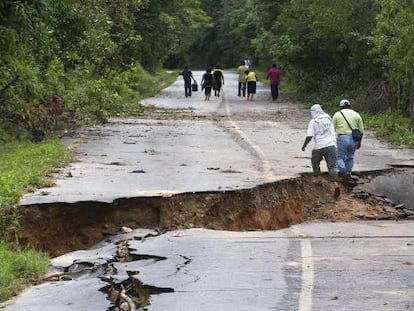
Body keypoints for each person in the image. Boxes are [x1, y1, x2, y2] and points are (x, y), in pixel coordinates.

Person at [302, 104, 340, 197]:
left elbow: (309, 136)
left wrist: (304, 145)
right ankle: (336, 184)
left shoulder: (313, 121)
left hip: (319, 146)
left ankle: (318, 178)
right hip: (331, 145)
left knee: (315, 161)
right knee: (332, 166)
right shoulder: (328, 118)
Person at [332, 99, 364, 186]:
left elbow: (332, 129)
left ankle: (343, 172)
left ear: (340, 107)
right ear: (350, 106)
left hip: (342, 137)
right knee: (350, 157)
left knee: (340, 157)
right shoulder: (356, 115)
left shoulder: (337, 115)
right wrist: (359, 142)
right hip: (353, 139)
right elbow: (361, 131)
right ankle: (348, 173)